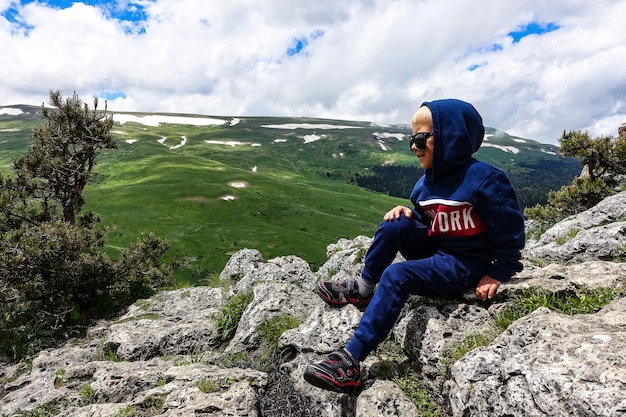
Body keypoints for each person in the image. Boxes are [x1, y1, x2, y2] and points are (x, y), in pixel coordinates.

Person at [303, 98, 525, 395]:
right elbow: (428, 218)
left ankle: (351, 360)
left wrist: (499, 273)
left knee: (397, 276)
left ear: (451, 138)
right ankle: (365, 289)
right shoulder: (423, 185)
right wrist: (408, 215)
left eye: (422, 138)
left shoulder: (485, 181)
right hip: (438, 251)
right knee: (394, 224)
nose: (414, 147)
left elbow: (510, 231)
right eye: (412, 139)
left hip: (466, 265)